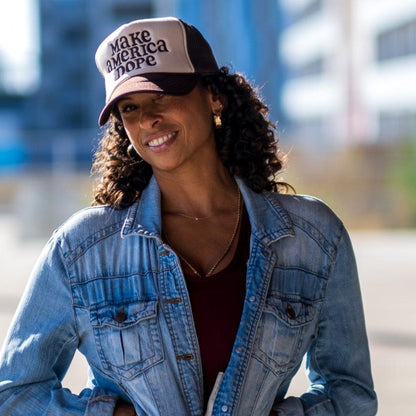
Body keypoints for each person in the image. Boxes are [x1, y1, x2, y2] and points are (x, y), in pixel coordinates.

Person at [0, 16, 377, 416]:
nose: (147, 119)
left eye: (162, 95)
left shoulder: (313, 237)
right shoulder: (81, 249)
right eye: (130, 107)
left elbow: (350, 392)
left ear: (214, 96)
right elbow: (15, 393)